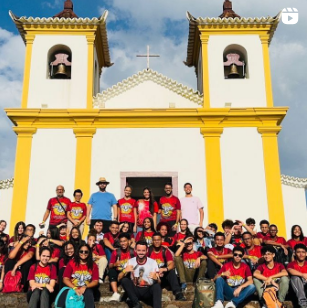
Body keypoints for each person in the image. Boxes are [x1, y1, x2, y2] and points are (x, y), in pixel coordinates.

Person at [119, 240, 162, 308]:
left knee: (156, 286)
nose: (141, 253)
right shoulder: (130, 261)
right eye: (139, 250)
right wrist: (124, 271)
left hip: (148, 290)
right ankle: (136, 303)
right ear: (135, 250)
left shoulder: (153, 262)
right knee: (125, 280)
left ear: (147, 250)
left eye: (143, 250)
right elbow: (119, 278)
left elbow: (159, 282)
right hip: (135, 290)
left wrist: (157, 278)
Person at [57, 244, 99, 308]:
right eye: (81, 251)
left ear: (89, 253)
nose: (83, 253)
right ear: (78, 252)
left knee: (89, 293)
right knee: (64, 295)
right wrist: (74, 288)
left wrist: (85, 287)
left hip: (86, 288)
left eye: (86, 252)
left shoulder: (93, 265)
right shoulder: (72, 263)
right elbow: (65, 278)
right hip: (72, 287)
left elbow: (95, 281)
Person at [149, 233, 185, 300]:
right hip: (152, 277)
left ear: (161, 240)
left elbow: (171, 264)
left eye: (158, 240)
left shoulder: (165, 250)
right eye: (155, 240)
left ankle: (178, 293)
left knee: (171, 272)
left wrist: (164, 269)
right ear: (152, 241)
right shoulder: (148, 250)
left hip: (162, 276)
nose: (157, 242)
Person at [107, 232, 135, 302]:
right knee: (111, 271)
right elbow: (110, 265)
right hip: (118, 271)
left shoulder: (133, 252)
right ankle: (116, 293)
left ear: (129, 241)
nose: (123, 243)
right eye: (121, 242)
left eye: (124, 241)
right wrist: (115, 264)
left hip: (128, 273)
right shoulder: (116, 252)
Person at [287, 244, 307, 308]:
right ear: (295, 254)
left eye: (303, 252)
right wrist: (303, 275)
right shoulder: (292, 264)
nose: (301, 254)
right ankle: (303, 304)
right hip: (296, 286)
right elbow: (290, 270)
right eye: (298, 252)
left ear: (306, 254)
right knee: (295, 277)